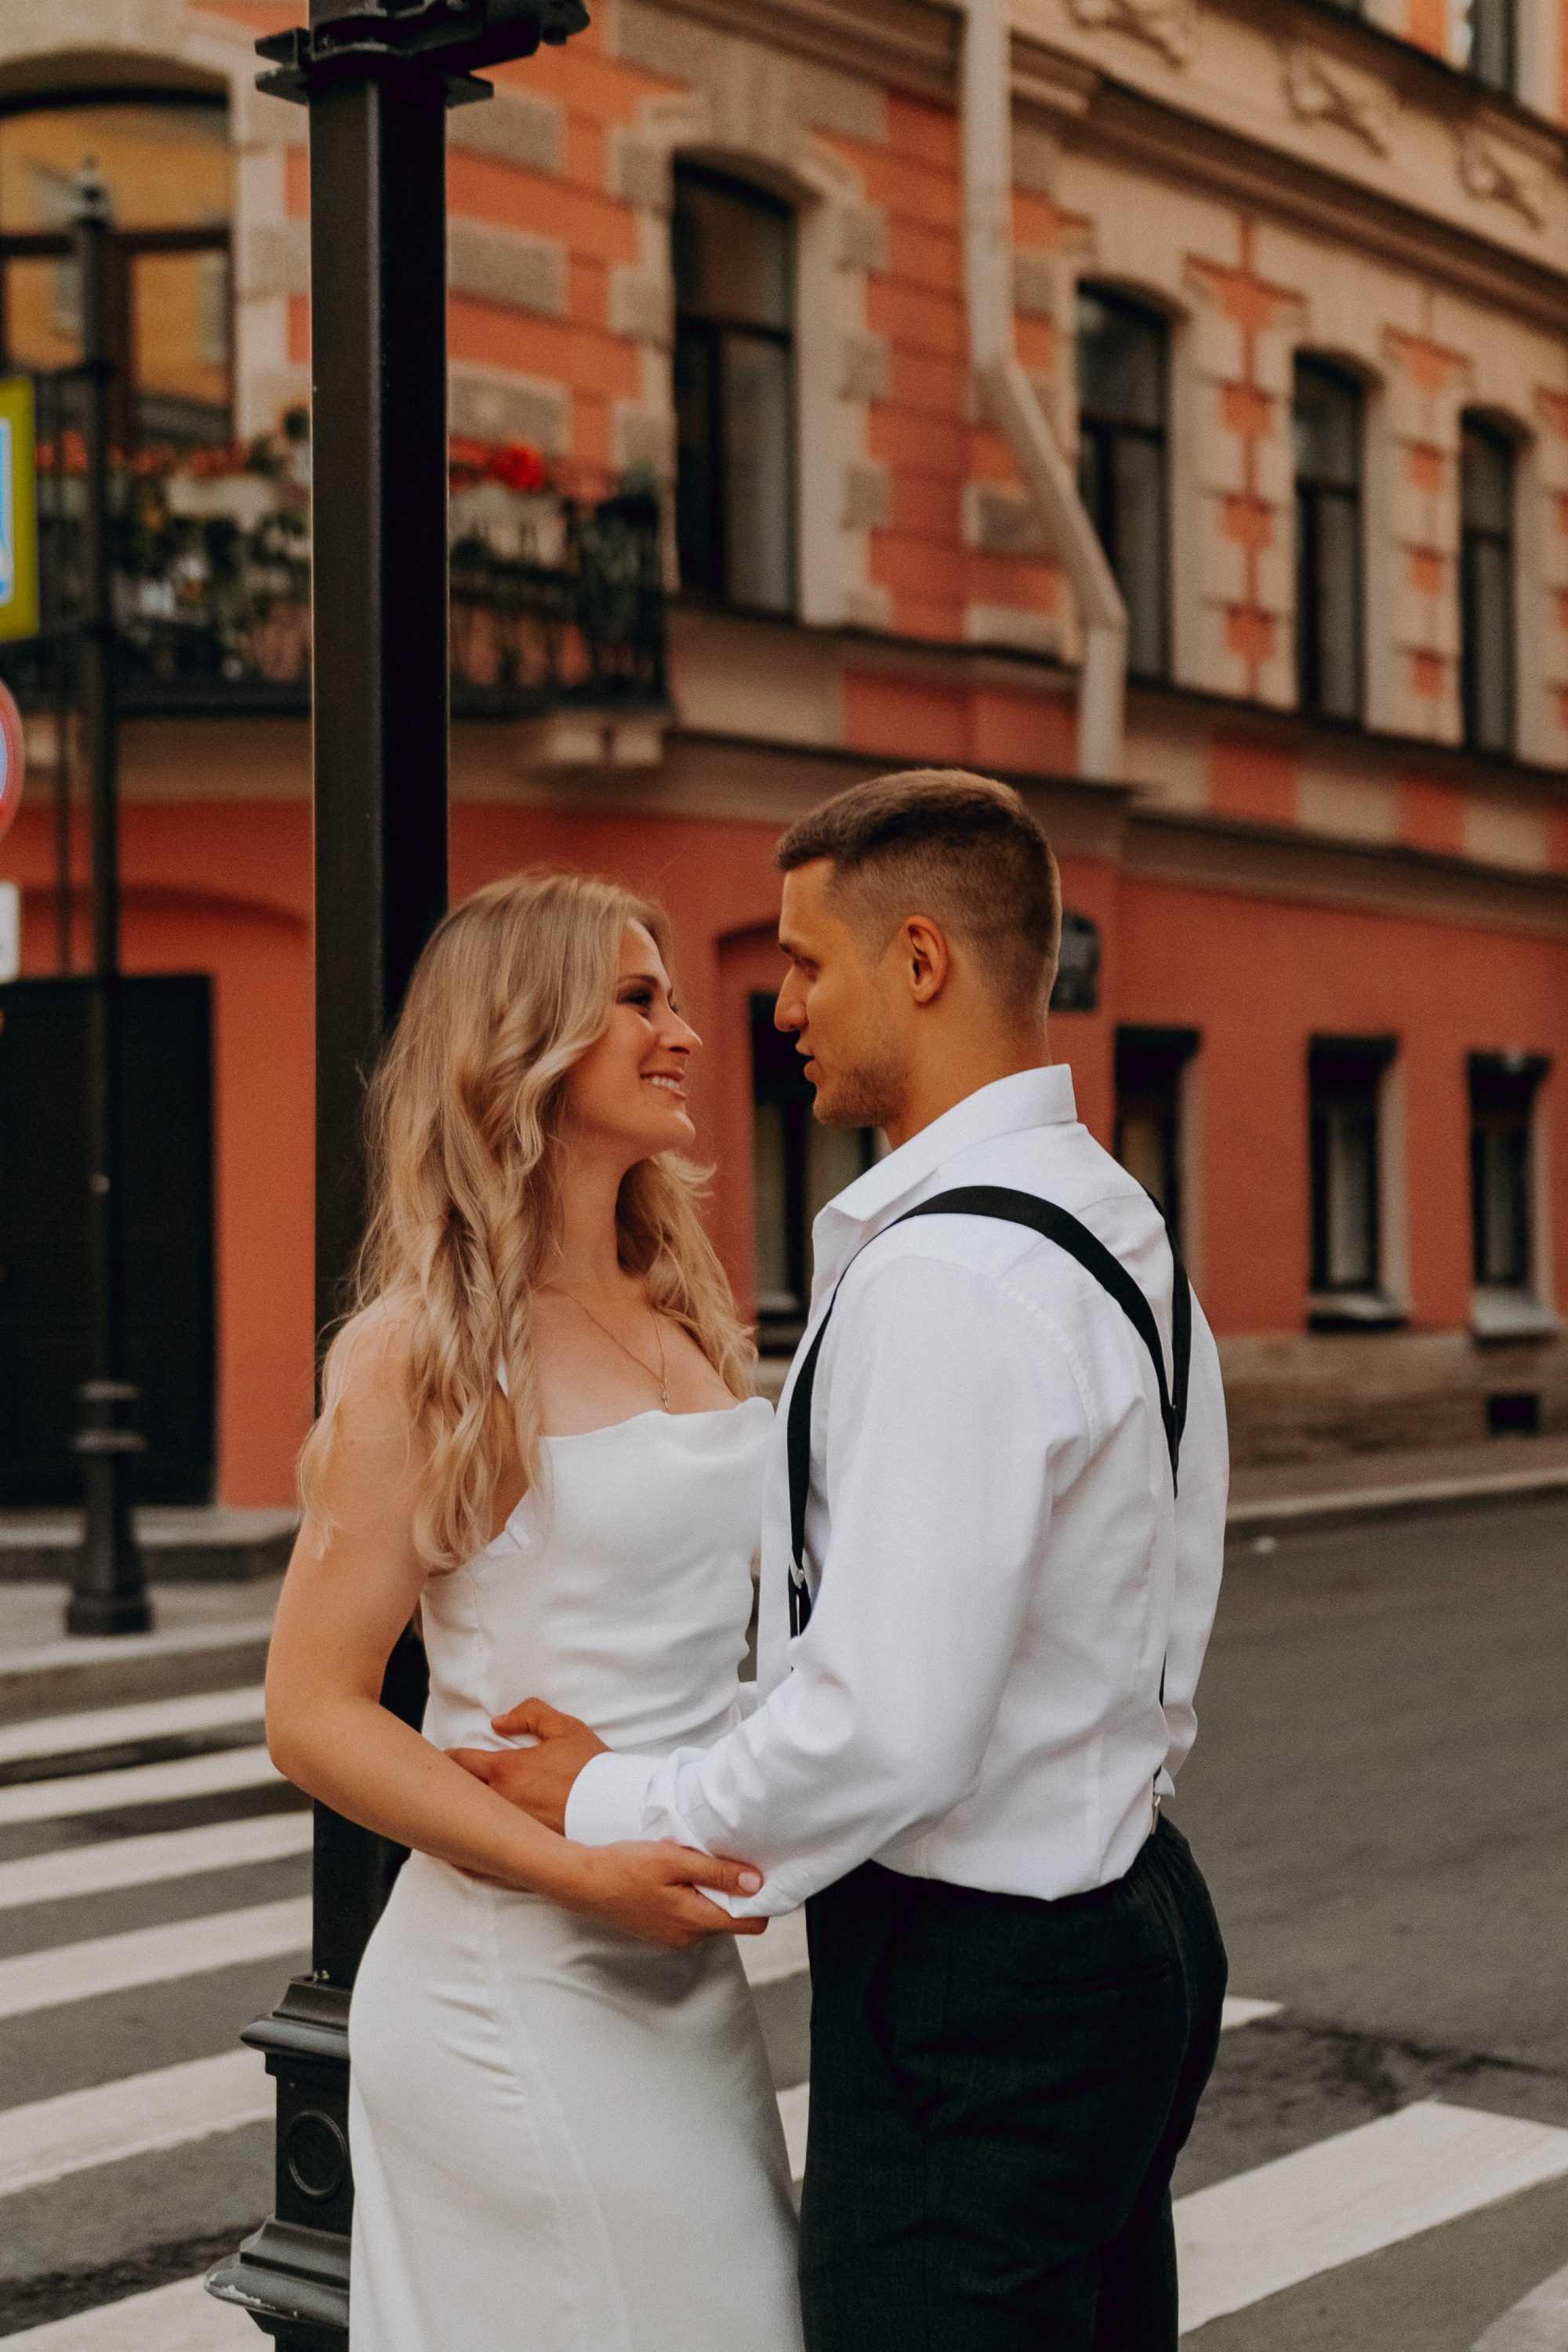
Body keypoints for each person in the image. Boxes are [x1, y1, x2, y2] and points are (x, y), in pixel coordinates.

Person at [466, 770, 1232, 2350]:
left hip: (987, 1999)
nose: (782, 1005)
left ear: (923, 960)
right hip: (1123, 1919)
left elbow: (886, 1723)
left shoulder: (948, 1278)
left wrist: (618, 1799)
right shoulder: (1108, 1216)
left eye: (806, 963)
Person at [263, 871, 804, 2352]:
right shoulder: (422, 1352)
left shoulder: (686, 1306)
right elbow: (310, 1713)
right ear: (526, 1041)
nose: (683, 1031)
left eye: (677, 998)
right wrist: (580, 1879)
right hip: (516, 1979)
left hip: (682, 1969)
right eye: (639, 999)